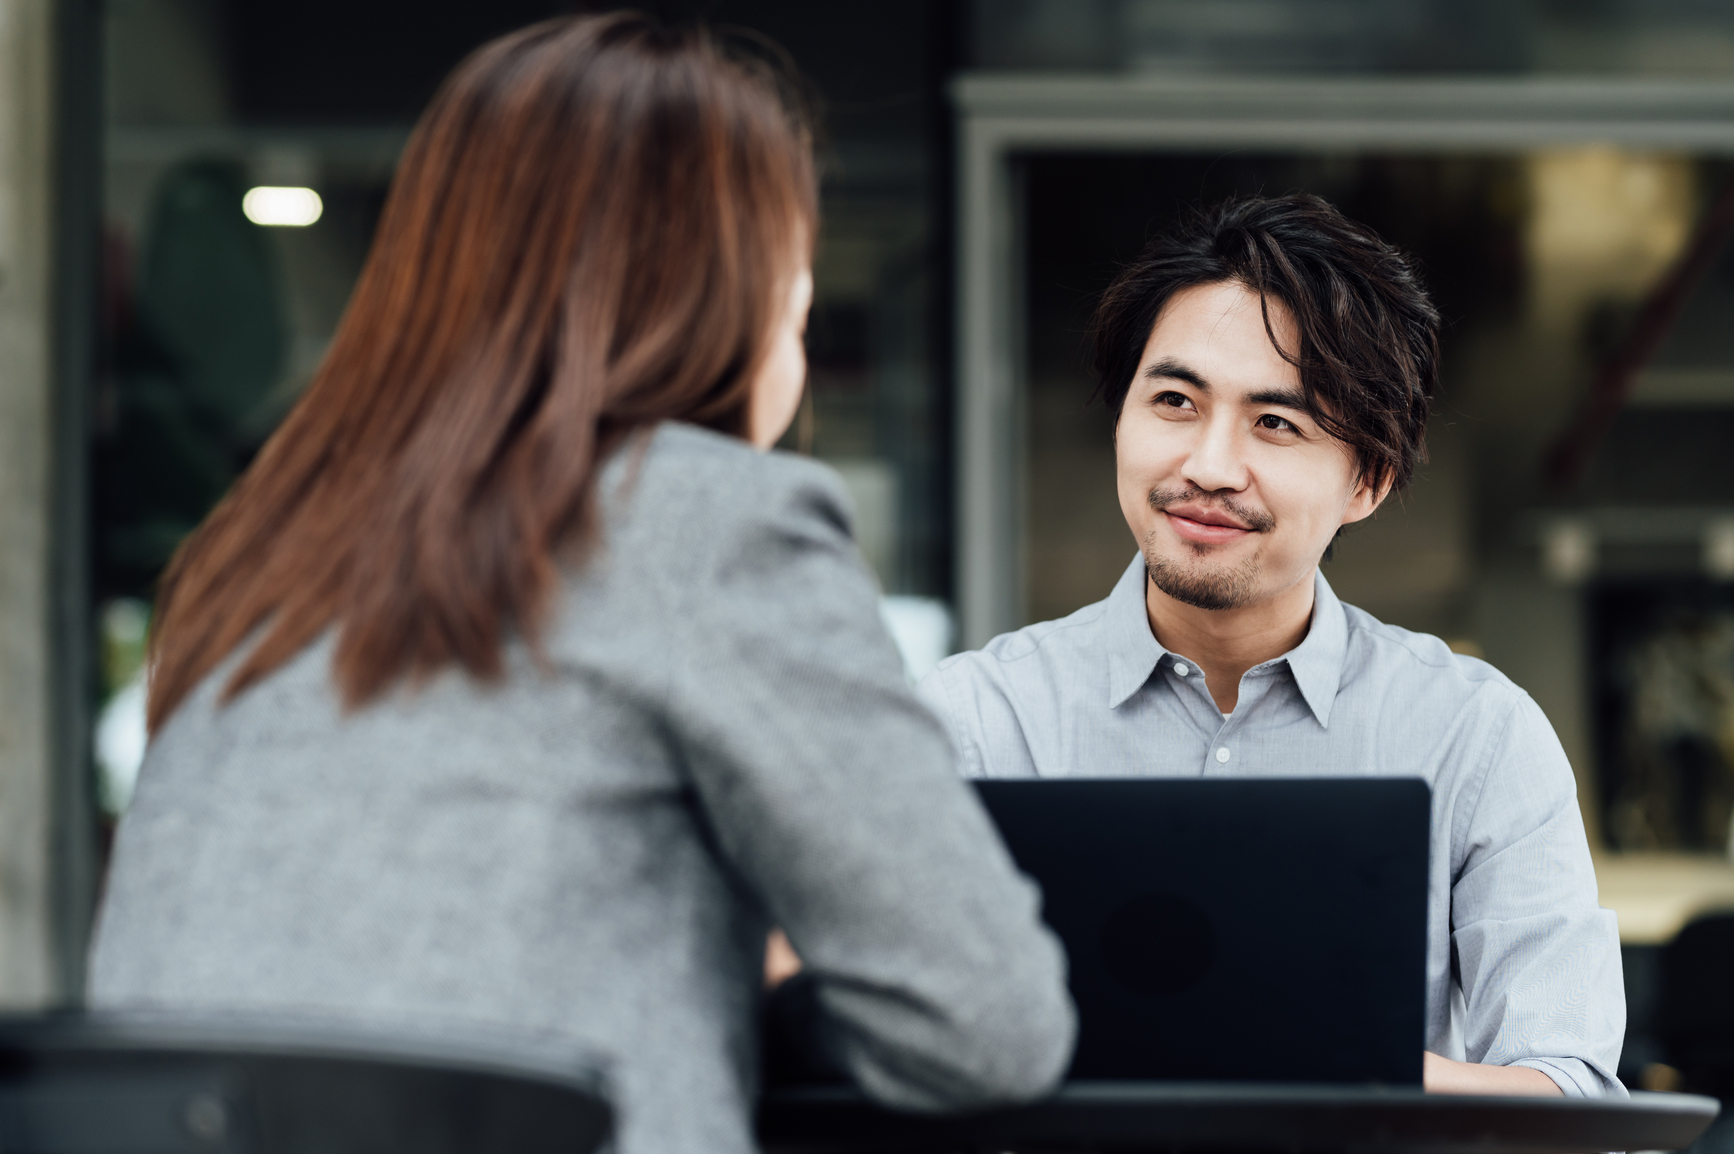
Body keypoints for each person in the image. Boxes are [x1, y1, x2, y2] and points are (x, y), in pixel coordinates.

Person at [86, 16, 1075, 1154]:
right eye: (794, 295)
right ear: (738, 300)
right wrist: (777, 997)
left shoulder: (255, 551)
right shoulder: (708, 518)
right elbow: (986, 1024)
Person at [918, 194, 1624, 1098]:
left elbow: (1571, 1094)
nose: (1209, 466)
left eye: (1276, 422)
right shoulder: (973, 723)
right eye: (1174, 401)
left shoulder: (1476, 736)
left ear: (1369, 480)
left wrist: (1326, 1075)